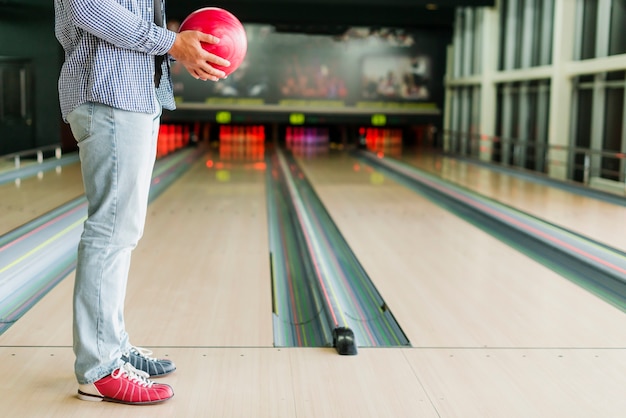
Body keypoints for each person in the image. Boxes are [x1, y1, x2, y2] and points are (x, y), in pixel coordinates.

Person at [54, 0, 231, 405]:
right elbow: (88, 9)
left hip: (136, 97)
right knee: (111, 230)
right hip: (109, 95)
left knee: (123, 230)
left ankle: (112, 346)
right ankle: (100, 367)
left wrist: (183, 46)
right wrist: (172, 43)